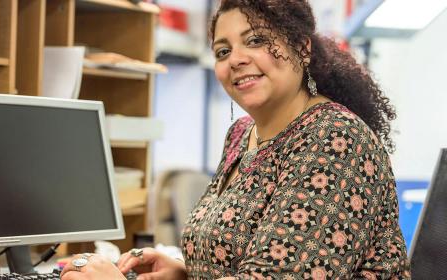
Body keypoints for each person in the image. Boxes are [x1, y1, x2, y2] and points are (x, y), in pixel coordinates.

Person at [60, 0, 411, 279]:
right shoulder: (242, 134)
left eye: (255, 40)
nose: (237, 60)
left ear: (302, 48)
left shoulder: (336, 138)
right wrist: (185, 273)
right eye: (222, 51)